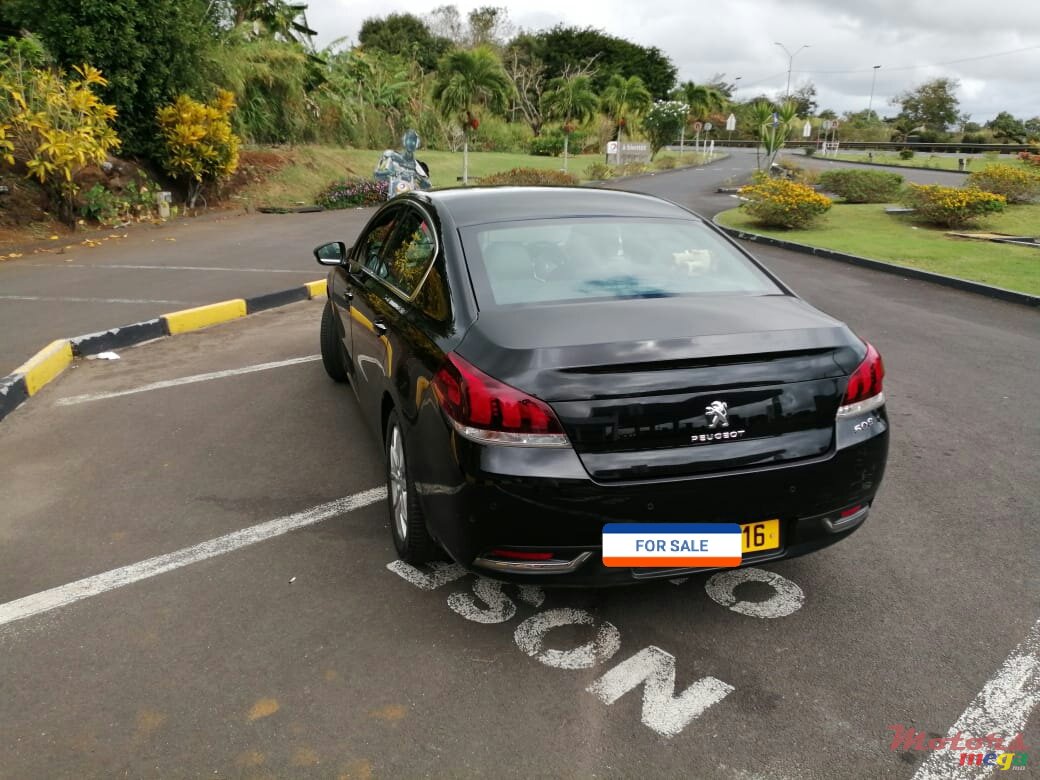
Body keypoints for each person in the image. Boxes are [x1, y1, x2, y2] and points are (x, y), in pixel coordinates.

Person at [374, 129, 432, 199]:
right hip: (394, 199)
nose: (411, 143)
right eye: (409, 139)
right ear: (404, 141)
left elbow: (428, 186)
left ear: (417, 144)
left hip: (409, 200)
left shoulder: (417, 165)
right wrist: (390, 173)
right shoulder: (392, 157)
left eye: (413, 140)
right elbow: (376, 175)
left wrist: (419, 178)